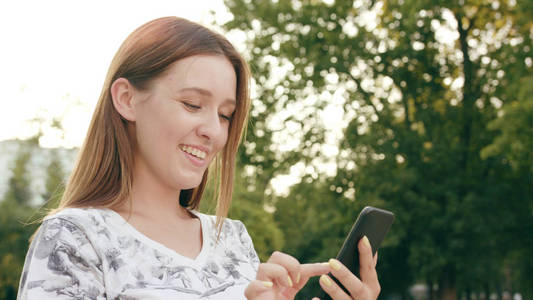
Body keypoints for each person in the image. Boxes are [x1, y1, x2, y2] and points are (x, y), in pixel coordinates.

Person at [17, 16, 381, 300]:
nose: (215, 131)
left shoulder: (233, 239)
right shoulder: (76, 238)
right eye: (193, 104)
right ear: (126, 99)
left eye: (225, 114)